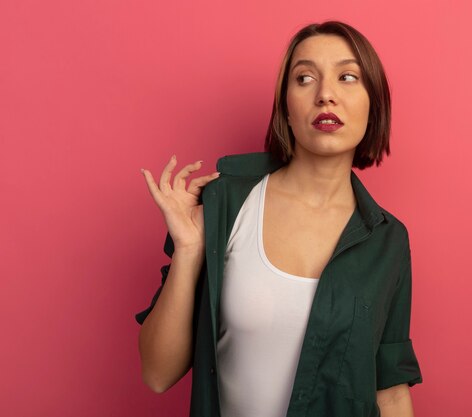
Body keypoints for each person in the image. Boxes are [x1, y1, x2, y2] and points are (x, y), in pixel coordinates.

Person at [136, 20, 422, 417]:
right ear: (285, 109)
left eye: (347, 77)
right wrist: (188, 249)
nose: (326, 95)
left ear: (373, 106)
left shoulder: (388, 240)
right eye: (305, 78)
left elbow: (389, 391)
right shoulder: (225, 204)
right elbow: (157, 373)